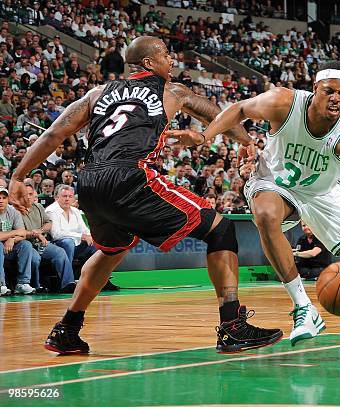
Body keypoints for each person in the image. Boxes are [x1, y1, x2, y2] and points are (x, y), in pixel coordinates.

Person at [9, 36, 281, 355]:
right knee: (221, 230)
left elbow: (55, 132)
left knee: (111, 250)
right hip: (131, 176)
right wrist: (246, 141)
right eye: (166, 55)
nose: (172, 60)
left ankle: (67, 329)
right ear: (149, 63)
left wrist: (18, 175)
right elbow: (216, 115)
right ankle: (233, 327)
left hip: (91, 182)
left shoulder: (97, 94)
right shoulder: (172, 90)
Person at [169, 61, 340, 347]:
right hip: (275, 181)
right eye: (329, 91)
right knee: (265, 213)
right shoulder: (283, 102)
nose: (336, 98)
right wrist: (204, 137)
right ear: (315, 89)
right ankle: (303, 308)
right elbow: (239, 109)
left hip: (323, 194)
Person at [22, 183, 77, 293]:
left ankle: (67, 284)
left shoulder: (38, 207)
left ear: (35, 195)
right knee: (34, 257)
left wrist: (41, 231)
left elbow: (48, 223)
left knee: (60, 252)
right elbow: (18, 231)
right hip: (25, 243)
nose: (28, 197)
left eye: (31, 194)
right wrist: (37, 234)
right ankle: (35, 285)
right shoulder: (16, 209)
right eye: (25, 194)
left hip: (42, 242)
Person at [0, 187, 35, 296]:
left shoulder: (13, 212)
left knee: (26, 245)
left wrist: (12, 239)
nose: (1, 200)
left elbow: (23, 233)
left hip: (10, 247)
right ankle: (1, 285)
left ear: (8, 199)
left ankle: (22, 284)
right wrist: (13, 234)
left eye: (4, 198)